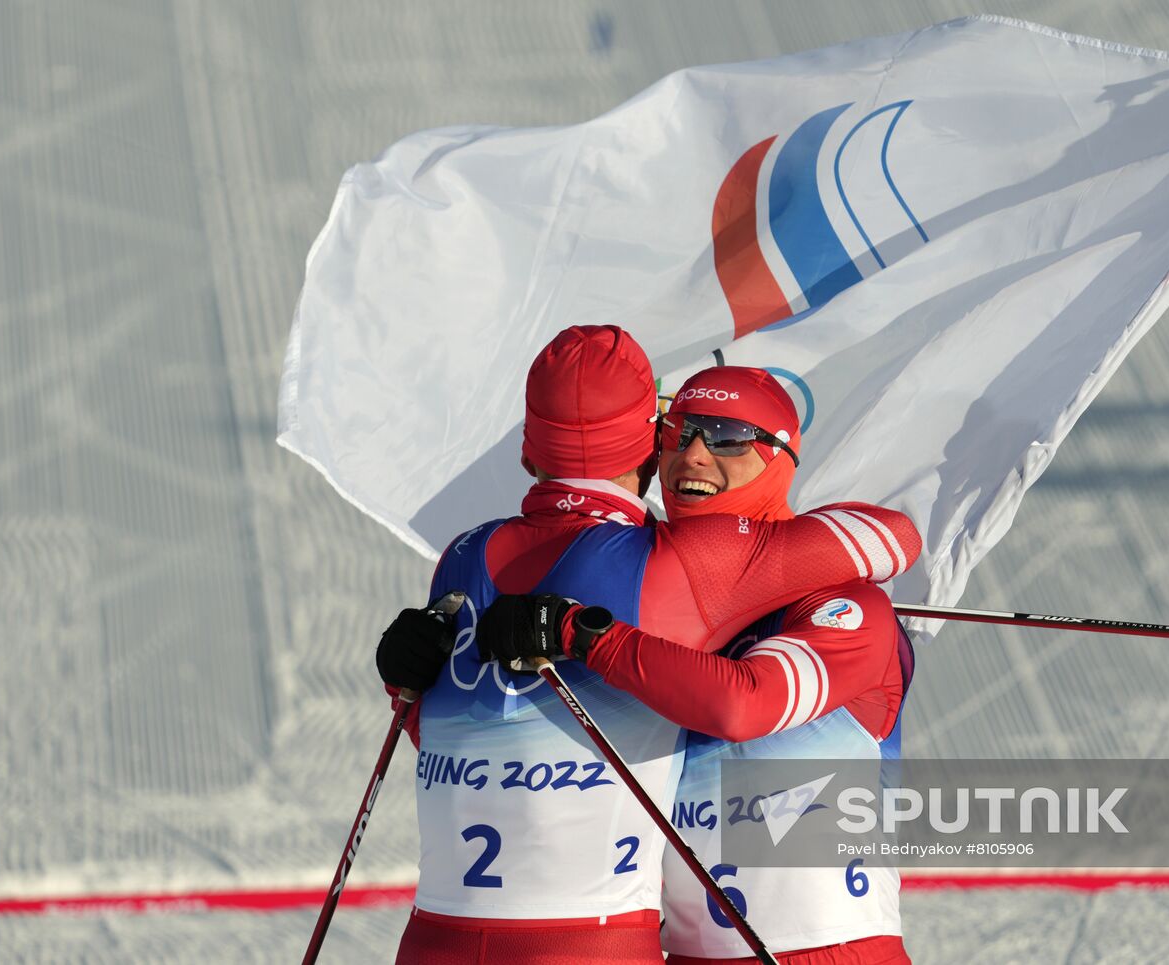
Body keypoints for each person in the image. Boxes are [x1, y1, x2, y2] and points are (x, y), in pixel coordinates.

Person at [374, 326, 920, 964]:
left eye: (727, 437)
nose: (692, 455)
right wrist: (416, 684)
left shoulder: (847, 606)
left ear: (782, 458)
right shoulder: (664, 585)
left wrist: (582, 633)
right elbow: (518, 749)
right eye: (679, 431)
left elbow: (746, 704)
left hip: (829, 954)